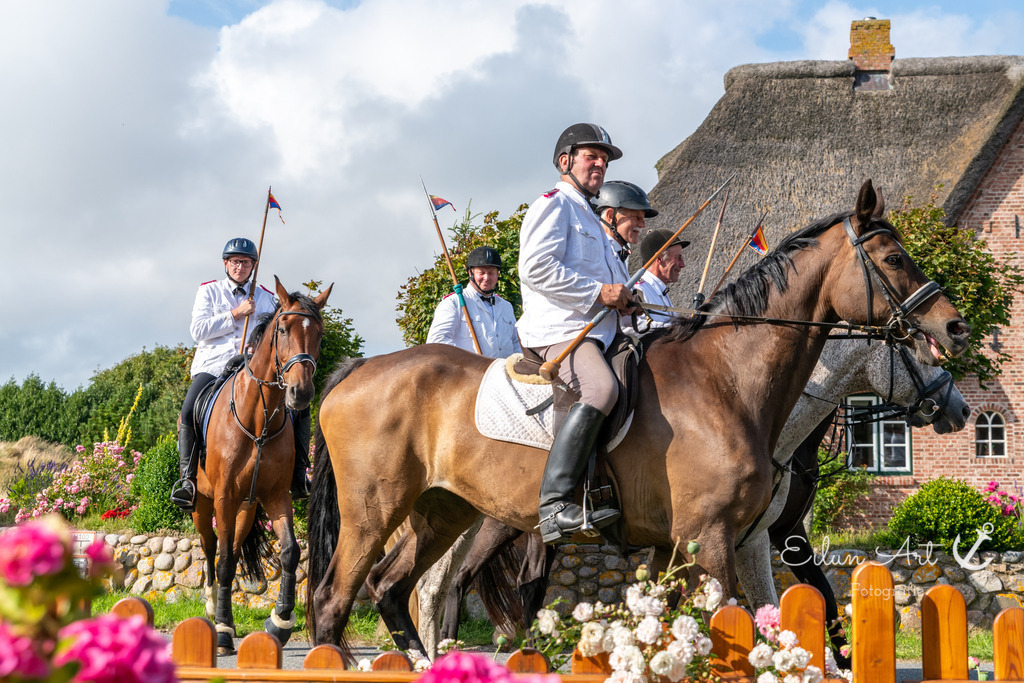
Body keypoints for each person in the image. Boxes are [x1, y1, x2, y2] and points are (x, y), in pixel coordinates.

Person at [517, 122, 633, 544]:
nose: (600, 163)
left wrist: (625, 298)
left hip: (598, 332)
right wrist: (599, 292)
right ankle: (554, 505)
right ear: (566, 161)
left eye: (604, 158)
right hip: (561, 330)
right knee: (601, 390)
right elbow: (535, 268)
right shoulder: (554, 205)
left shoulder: (588, 214)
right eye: (592, 155)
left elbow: (608, 282)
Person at [170, 238, 305, 512]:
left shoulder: (267, 297)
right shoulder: (209, 292)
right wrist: (235, 314)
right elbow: (198, 330)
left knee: (299, 408)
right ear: (225, 264)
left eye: (245, 262)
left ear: (253, 265)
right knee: (188, 411)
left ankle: (299, 475)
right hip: (214, 367)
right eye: (234, 262)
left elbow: (275, 335)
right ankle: (187, 480)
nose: (239, 267)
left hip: (251, 372)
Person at [426, 246, 521, 358]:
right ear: (470, 273)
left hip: (505, 373)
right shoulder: (453, 303)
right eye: (481, 273)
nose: (486, 277)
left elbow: (516, 343)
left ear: (497, 275)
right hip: (469, 374)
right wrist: (468, 363)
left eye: (491, 273)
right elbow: (437, 341)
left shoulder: (506, 306)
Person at [634, 227, 689, 329]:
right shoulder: (638, 290)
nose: (683, 264)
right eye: (678, 258)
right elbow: (633, 328)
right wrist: (676, 329)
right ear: (659, 259)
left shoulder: (660, 289)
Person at [591, 180, 658, 263]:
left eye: (642, 219)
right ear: (611, 216)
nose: (643, 225)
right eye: (636, 217)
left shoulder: (616, 255)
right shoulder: (592, 255)